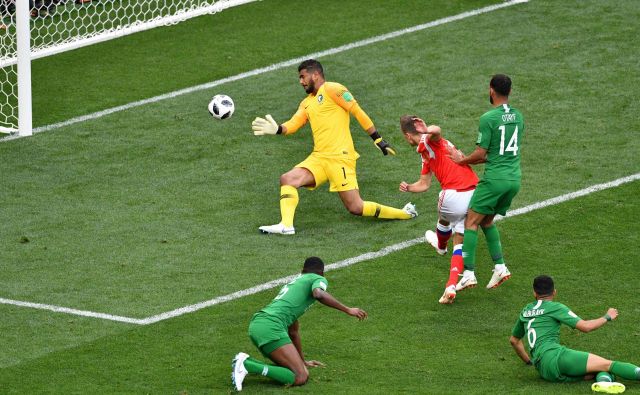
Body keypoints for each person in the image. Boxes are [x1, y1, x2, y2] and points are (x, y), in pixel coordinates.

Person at [251, 59, 417, 235]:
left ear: (315, 74)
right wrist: (277, 129)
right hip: (319, 158)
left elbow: (357, 111)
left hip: (340, 158)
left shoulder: (333, 89)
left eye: (303, 77)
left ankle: (405, 213)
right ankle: (286, 225)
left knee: (355, 207)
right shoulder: (306, 103)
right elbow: (293, 124)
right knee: (288, 179)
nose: (301, 81)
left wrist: (377, 139)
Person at [231, 257, 367, 391]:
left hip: (258, 324)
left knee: (295, 370)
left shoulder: (295, 284)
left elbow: (293, 332)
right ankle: (247, 365)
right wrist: (347, 309)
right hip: (270, 327)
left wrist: (303, 362)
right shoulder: (316, 278)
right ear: (321, 273)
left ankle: (245, 362)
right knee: (300, 376)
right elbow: (318, 294)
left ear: (302, 270)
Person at [449, 74, 524, 290]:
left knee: (470, 222)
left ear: (491, 89)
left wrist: (461, 160)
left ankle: (469, 273)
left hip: (494, 179)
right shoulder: (519, 116)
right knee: (486, 221)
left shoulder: (488, 118)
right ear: (509, 91)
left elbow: (482, 154)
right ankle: (500, 267)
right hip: (513, 179)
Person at [510, 275, 638, 393]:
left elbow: (514, 340)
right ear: (554, 292)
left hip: (543, 369)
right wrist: (607, 316)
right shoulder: (555, 307)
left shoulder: (526, 311)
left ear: (534, 292)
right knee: (608, 364)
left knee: (596, 369)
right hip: (555, 356)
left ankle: (604, 383)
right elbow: (586, 327)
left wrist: (529, 361)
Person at [398, 115, 478, 304]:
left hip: (454, 193)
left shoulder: (428, 140)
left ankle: (441, 246)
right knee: (459, 239)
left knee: (444, 217)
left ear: (408, 136)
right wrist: (409, 187)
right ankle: (451, 286)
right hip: (475, 193)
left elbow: (436, 130)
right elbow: (424, 184)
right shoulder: (426, 153)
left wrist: (427, 131)